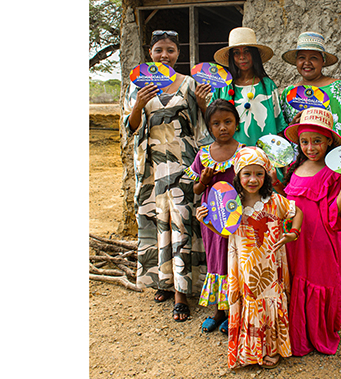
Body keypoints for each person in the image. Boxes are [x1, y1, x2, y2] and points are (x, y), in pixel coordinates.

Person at [123, 30, 212, 321]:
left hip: (182, 165)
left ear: (178, 53)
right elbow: (131, 127)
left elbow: (204, 124)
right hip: (151, 168)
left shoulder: (188, 83)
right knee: (157, 223)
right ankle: (163, 281)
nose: (165, 55)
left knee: (182, 225)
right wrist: (139, 103)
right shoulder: (137, 84)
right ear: (150, 52)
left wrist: (201, 103)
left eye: (171, 50)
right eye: (159, 50)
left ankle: (181, 294)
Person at [279, 31, 341, 306]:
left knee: (338, 220)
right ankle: (304, 288)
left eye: (313, 58)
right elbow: (291, 138)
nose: (307, 63)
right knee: (306, 229)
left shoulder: (340, 89)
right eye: (302, 58)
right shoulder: (289, 93)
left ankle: (340, 283)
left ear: (323, 61)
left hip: (337, 172)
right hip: (307, 176)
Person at [197, 147, 303, 369]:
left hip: (270, 270)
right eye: (247, 173)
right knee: (249, 305)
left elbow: (297, 211)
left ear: (266, 175)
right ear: (237, 175)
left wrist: (294, 232)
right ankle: (250, 351)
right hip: (244, 270)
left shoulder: (274, 201)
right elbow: (223, 232)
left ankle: (273, 349)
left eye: (259, 173)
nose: (253, 179)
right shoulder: (231, 205)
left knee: (271, 302)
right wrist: (206, 221)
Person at [281, 107, 341, 356]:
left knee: (317, 282)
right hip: (295, 241)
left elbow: (334, 215)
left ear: (328, 142)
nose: (310, 147)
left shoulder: (333, 173)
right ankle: (295, 334)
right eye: (304, 141)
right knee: (295, 279)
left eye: (317, 141)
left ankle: (316, 333)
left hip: (319, 242)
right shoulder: (295, 169)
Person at [185, 99, 244, 333]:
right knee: (216, 261)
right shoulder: (203, 155)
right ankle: (218, 312)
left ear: (237, 124)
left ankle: (234, 312)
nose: (222, 128)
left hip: (236, 219)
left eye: (228, 122)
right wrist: (205, 181)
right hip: (211, 220)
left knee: (234, 261)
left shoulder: (243, 153)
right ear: (209, 128)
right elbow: (197, 190)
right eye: (216, 123)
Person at [196, 27, 288, 148]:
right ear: (231, 57)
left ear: (254, 55)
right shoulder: (223, 86)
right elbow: (212, 120)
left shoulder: (268, 85)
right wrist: (202, 105)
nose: (241, 57)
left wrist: (281, 157)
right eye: (236, 53)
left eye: (247, 52)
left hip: (263, 155)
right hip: (232, 155)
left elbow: (279, 125)